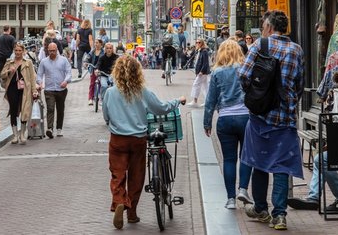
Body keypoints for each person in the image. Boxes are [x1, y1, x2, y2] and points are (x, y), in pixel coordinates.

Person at [238, 10, 304, 230]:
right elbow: (299, 85)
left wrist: (257, 95)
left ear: (268, 25)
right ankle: (280, 215)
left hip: (260, 117)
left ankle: (261, 209)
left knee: (259, 162)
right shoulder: (297, 50)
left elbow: (244, 75)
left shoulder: (259, 45)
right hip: (285, 118)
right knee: (282, 166)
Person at [102, 55, 186, 229]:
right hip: (138, 139)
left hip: (118, 140)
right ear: (137, 72)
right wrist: (177, 101)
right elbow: (160, 108)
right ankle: (132, 214)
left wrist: (115, 123)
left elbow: (106, 116)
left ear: (117, 72)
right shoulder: (142, 91)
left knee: (117, 175)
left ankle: (119, 201)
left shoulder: (110, 92)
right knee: (136, 175)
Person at [203, 40, 253, 209]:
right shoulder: (245, 69)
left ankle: (230, 199)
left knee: (229, 159)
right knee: (246, 157)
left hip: (225, 118)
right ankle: (243, 189)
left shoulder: (217, 72)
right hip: (246, 117)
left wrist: (207, 122)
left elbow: (210, 100)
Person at [288, 69, 338, 212]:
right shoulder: (337, 96)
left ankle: (337, 198)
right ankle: (314, 198)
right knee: (321, 159)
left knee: (323, 160)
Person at [0, 43, 38, 144]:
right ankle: (15, 135)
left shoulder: (28, 62)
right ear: (14, 51)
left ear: (23, 51)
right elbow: (2, 75)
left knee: (24, 111)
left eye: (19, 51)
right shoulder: (9, 62)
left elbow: (32, 78)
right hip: (12, 89)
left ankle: (22, 134)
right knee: (13, 111)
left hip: (25, 89)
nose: (17, 52)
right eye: (16, 50)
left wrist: (34, 90)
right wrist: (9, 71)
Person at [36, 42, 72, 139]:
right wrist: (40, 83)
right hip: (49, 89)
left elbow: (69, 72)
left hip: (61, 89)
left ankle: (59, 128)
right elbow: (39, 74)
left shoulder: (63, 60)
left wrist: (65, 81)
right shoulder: (44, 62)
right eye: (50, 50)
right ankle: (50, 129)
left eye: (54, 50)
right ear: (47, 50)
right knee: (50, 109)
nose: (52, 52)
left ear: (57, 50)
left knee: (60, 109)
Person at [186, 38, 210, 107]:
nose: (197, 44)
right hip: (201, 71)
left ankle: (195, 101)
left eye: (199, 42)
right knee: (205, 87)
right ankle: (207, 101)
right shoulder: (199, 51)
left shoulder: (204, 51)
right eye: (196, 42)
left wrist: (201, 71)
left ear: (202, 43)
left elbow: (205, 63)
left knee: (196, 84)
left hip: (202, 72)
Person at [0, 25, 16, 92]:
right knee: (10, 70)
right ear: (9, 30)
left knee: (0, 70)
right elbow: (15, 47)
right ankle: (8, 84)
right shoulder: (12, 38)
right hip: (9, 57)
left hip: (1, 56)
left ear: (3, 30)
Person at [87, 39, 104, 106]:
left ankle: (100, 98)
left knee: (101, 84)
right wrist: (86, 62)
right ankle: (90, 98)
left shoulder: (103, 52)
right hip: (93, 69)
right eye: (95, 43)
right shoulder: (93, 51)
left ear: (100, 44)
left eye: (97, 43)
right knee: (92, 84)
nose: (95, 44)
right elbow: (88, 56)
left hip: (101, 70)